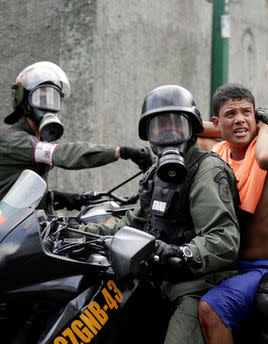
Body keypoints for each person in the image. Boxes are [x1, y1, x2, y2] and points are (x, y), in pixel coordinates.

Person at [83, 84, 241, 344]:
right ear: (149, 135)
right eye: (159, 127)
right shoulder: (154, 175)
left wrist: (182, 252)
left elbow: (224, 240)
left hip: (197, 285)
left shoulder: (206, 171)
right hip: (158, 282)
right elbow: (130, 225)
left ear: (191, 129)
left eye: (177, 125)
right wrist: (78, 231)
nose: (169, 134)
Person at [197, 83, 268, 343]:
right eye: (231, 114)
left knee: (211, 308)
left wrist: (265, 126)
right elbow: (187, 128)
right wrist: (225, 126)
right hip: (228, 265)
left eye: (246, 112)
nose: (240, 120)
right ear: (217, 122)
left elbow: (265, 158)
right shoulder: (216, 154)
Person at [0, 61, 152, 210]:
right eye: (41, 98)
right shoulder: (14, 140)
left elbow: (19, 192)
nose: (48, 105)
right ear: (24, 102)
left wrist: (64, 198)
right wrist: (121, 152)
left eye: (53, 99)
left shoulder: (32, 139)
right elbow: (63, 153)